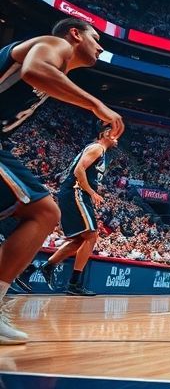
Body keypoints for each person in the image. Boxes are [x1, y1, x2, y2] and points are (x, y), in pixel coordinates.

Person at [0, 18, 123, 344]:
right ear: (74, 34)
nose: (100, 46)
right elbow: (33, 69)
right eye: (95, 38)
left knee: (42, 214)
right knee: (43, 213)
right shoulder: (54, 45)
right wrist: (97, 103)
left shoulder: (60, 73)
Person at [39, 125, 118, 296]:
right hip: (76, 190)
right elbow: (78, 170)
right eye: (115, 132)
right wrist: (91, 192)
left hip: (75, 192)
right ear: (105, 133)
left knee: (80, 239)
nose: (118, 136)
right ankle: (73, 283)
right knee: (91, 234)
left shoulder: (100, 152)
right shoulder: (97, 147)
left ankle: (48, 266)